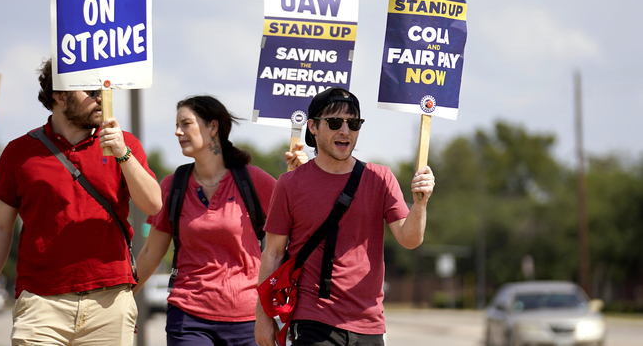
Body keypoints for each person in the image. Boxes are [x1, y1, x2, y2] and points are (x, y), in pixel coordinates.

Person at [0, 59, 162, 345]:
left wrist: (122, 153)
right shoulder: (18, 153)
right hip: (40, 303)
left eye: (103, 90)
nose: (101, 98)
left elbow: (153, 205)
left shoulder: (125, 144)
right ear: (59, 96)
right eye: (91, 91)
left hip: (109, 302)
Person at [254, 87, 436, 346]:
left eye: (354, 123)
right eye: (335, 122)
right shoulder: (289, 184)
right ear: (313, 127)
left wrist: (421, 203)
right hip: (311, 320)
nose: (345, 131)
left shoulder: (380, 178)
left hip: (369, 323)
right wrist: (263, 318)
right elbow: (272, 254)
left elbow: (410, 239)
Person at [133, 95, 307, 346]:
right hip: (187, 316)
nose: (177, 132)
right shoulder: (173, 186)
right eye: (176, 125)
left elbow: (299, 222)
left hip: (248, 318)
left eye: (185, 124)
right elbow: (151, 251)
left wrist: (297, 178)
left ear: (213, 127)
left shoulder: (254, 181)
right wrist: (125, 300)